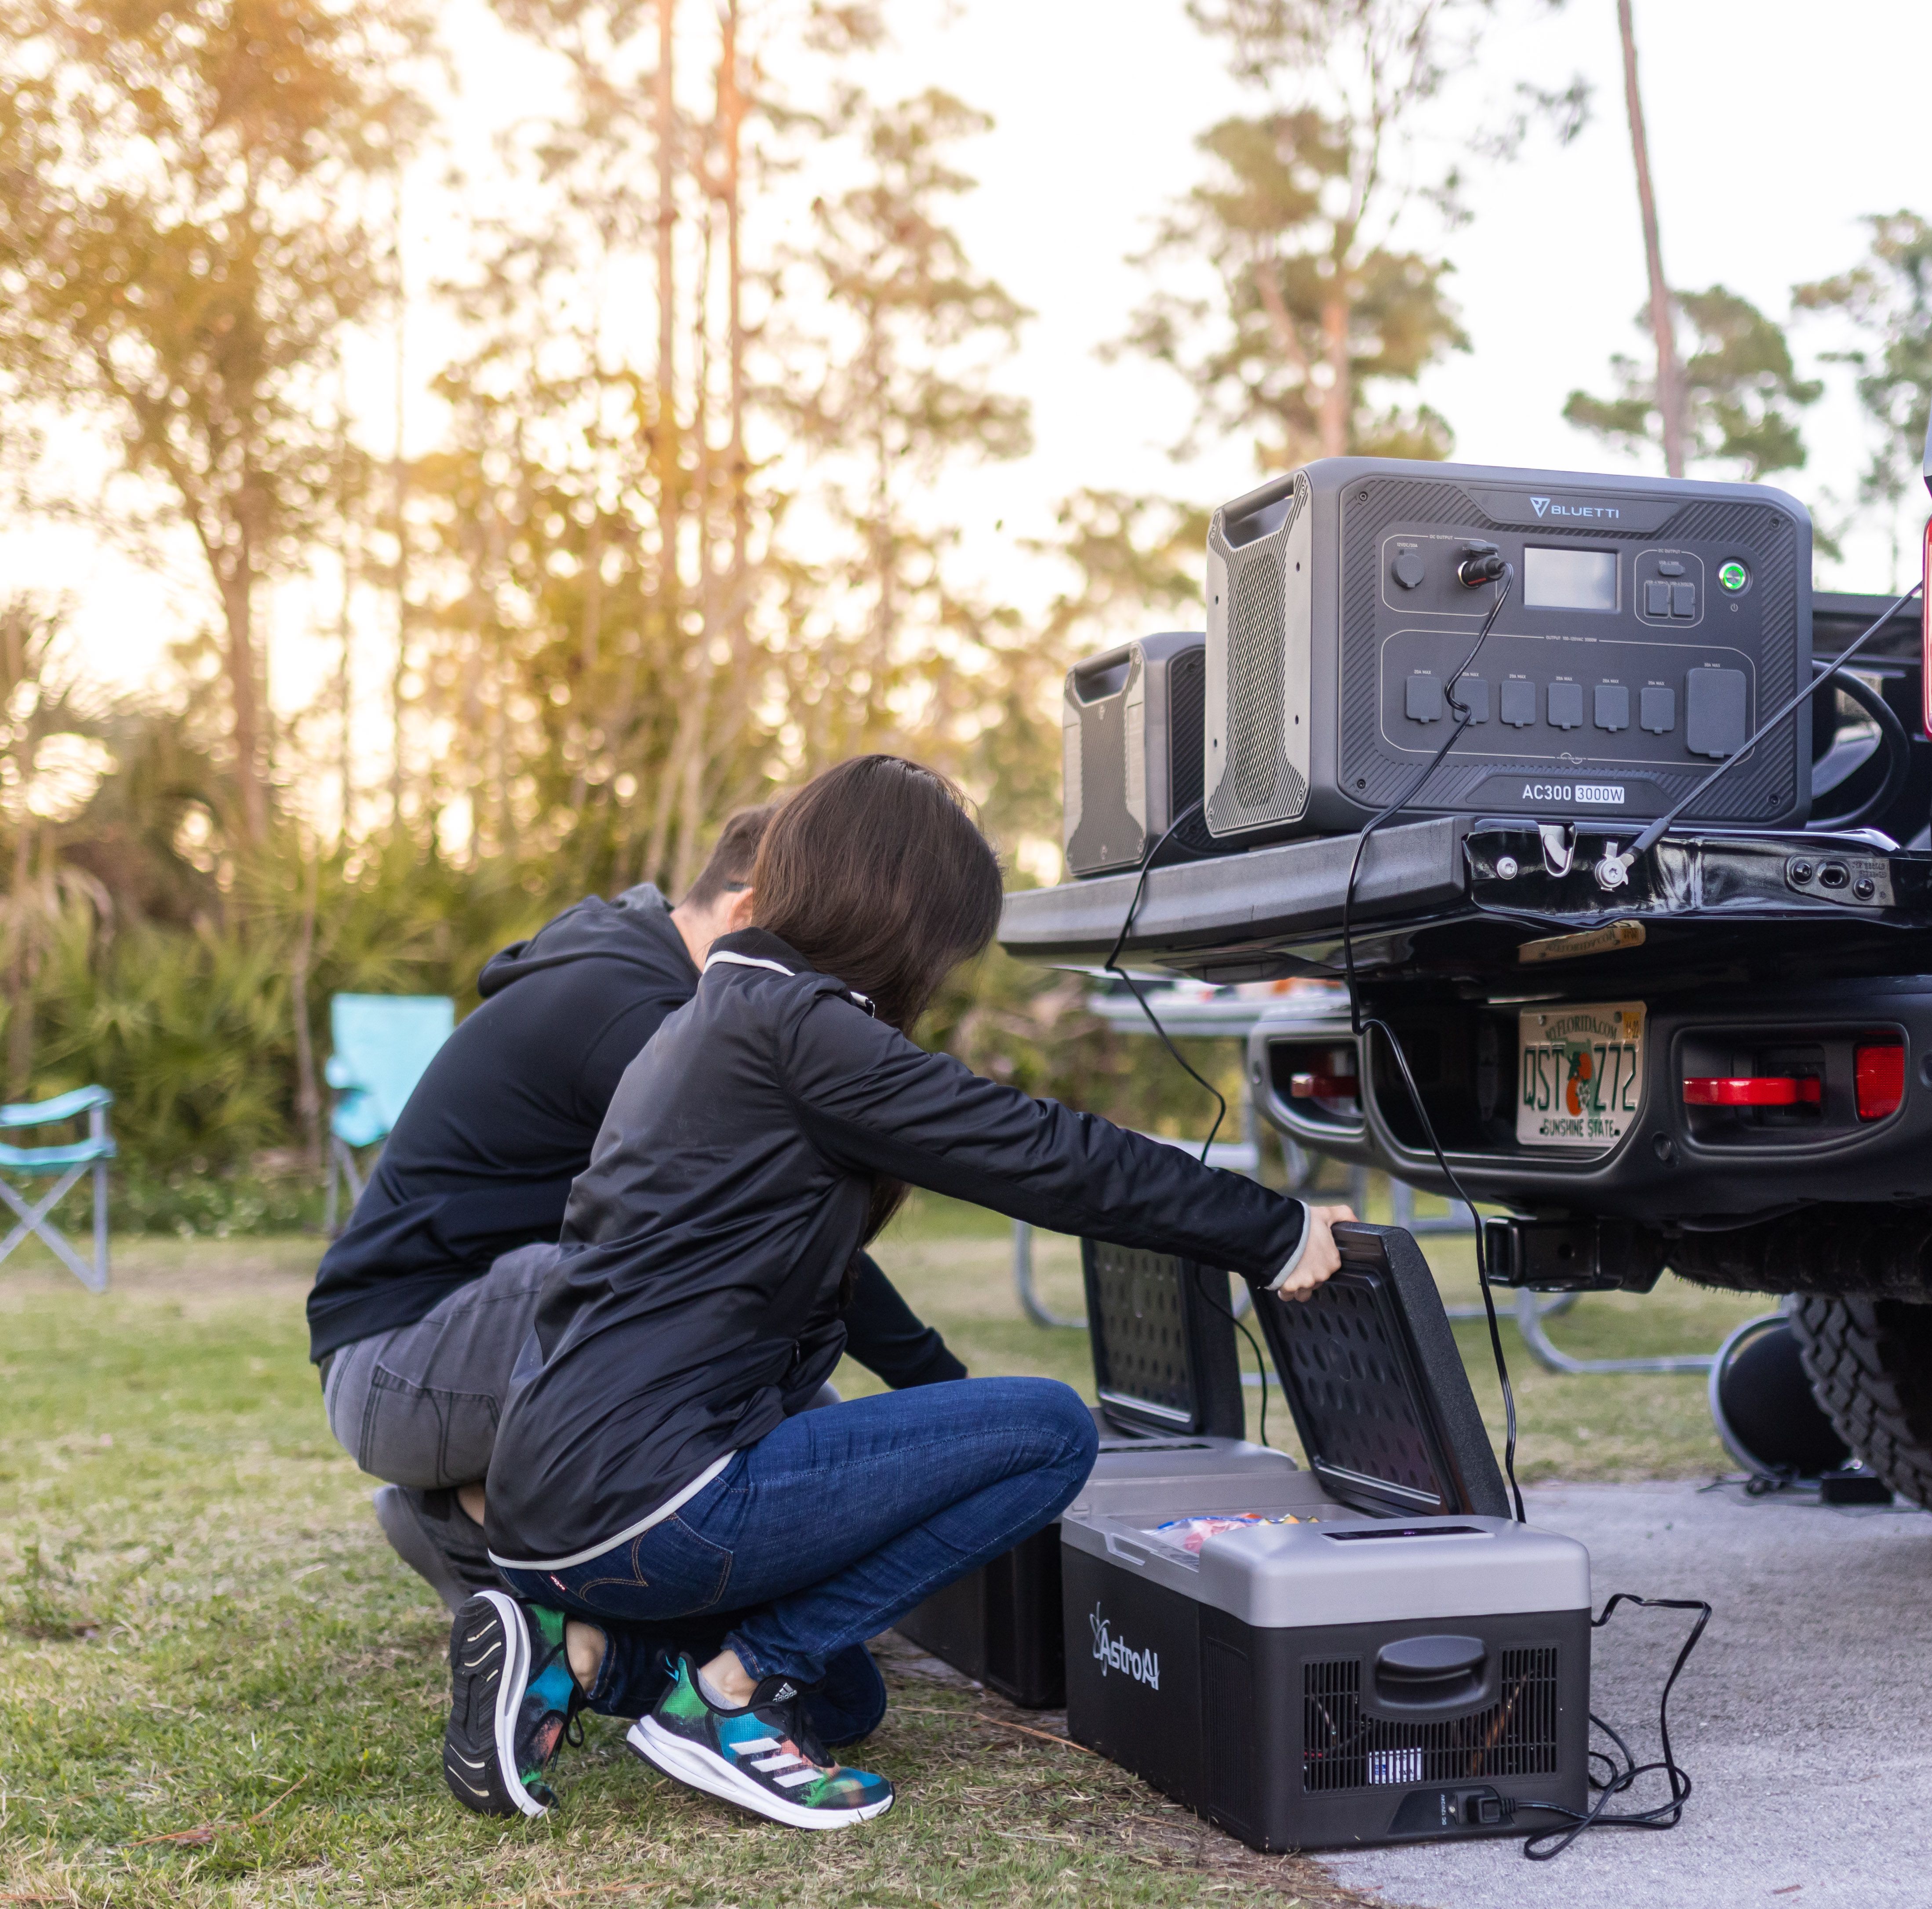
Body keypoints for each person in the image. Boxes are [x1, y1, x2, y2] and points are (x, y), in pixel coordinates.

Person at [448, 755, 1354, 1829]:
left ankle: (580, 1652)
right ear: (900, 914)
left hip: (552, 1501)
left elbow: (832, 1273)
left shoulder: (707, 1019)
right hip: (655, 1494)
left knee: (848, 1694)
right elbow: (1044, 1153)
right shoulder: (799, 1028)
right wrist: (1273, 1227)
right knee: (1049, 1431)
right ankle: (726, 1698)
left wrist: (934, 1397)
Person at [308, 809, 969, 1613]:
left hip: (440, 1354)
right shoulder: (639, 1015)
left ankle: (466, 1509)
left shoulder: (644, 981)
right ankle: (473, 1524)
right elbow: (773, 1244)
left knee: (798, 1422)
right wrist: (937, 1383)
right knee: (731, 1336)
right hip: (400, 1367)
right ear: (747, 915)